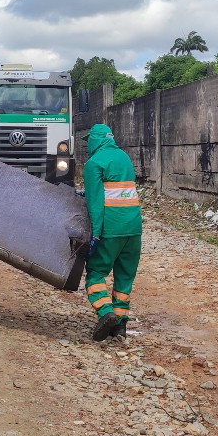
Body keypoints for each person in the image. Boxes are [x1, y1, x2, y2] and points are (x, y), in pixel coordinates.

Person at [81, 123, 142, 341]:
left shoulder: (93, 163)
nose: (87, 145)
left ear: (96, 140)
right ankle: (120, 326)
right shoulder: (124, 158)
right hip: (134, 230)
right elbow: (116, 190)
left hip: (110, 231)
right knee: (124, 278)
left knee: (96, 274)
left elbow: (96, 205)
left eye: (89, 141)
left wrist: (95, 235)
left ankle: (105, 313)